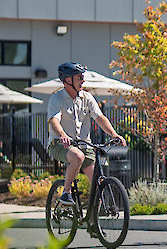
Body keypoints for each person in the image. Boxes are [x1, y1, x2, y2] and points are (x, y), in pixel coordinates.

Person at [47, 62, 126, 205]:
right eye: (79, 77)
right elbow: (54, 121)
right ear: (67, 80)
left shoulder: (87, 98)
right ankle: (66, 193)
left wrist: (114, 134)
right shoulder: (56, 99)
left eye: (83, 77)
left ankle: (93, 220)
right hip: (60, 144)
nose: (83, 80)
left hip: (84, 145)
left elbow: (100, 118)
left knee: (97, 184)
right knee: (77, 156)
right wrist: (62, 135)